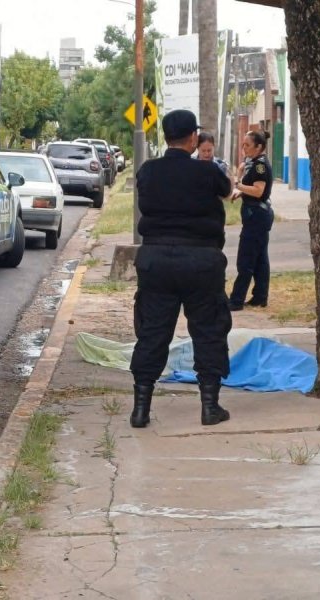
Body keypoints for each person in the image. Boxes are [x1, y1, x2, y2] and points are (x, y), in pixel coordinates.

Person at [129, 109, 233, 428]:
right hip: (201, 260)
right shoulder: (207, 172)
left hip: (156, 259)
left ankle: (141, 409)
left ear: (165, 137)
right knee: (209, 330)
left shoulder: (148, 171)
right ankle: (209, 407)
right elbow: (227, 192)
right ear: (193, 139)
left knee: (153, 331)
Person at [229, 130, 274, 311]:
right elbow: (252, 189)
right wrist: (241, 191)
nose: (244, 148)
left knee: (246, 259)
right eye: (243, 144)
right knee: (260, 259)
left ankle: (236, 300)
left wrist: (237, 184)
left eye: (247, 145)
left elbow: (258, 191)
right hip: (256, 215)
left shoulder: (259, 166)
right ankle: (259, 296)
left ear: (259, 147)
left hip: (256, 217)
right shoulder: (254, 163)